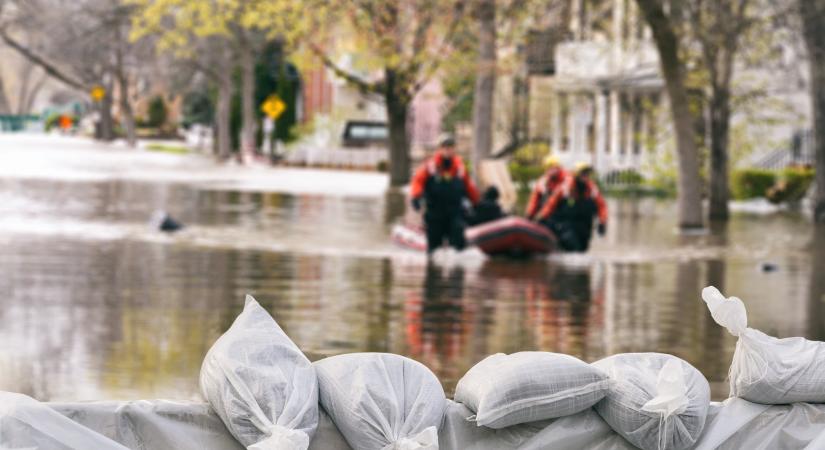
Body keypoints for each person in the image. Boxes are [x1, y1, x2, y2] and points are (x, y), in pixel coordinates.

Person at [410, 137, 480, 253]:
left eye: (451, 147)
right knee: (434, 248)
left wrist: (476, 202)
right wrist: (416, 196)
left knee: (458, 243)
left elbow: (469, 187)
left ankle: (457, 267)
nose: (449, 150)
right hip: (435, 212)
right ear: (440, 149)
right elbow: (417, 181)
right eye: (446, 148)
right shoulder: (430, 166)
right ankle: (433, 267)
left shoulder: (459, 167)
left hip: (455, 211)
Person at [536, 162, 607, 252]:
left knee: (582, 250)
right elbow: (551, 204)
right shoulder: (565, 188)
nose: (586, 176)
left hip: (585, 227)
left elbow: (601, 206)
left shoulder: (592, 189)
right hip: (567, 225)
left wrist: (602, 222)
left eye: (587, 174)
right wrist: (541, 217)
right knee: (572, 246)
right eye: (583, 173)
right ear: (576, 175)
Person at [525, 155, 568, 220]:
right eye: (549, 167)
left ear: (558, 168)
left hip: (561, 214)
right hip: (548, 214)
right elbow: (534, 198)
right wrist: (529, 214)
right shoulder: (543, 180)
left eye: (554, 167)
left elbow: (555, 198)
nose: (552, 170)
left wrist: (542, 215)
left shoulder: (566, 179)